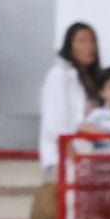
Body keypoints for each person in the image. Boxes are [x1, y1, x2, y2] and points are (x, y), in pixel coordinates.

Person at [38, 23, 101, 176]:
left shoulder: (90, 79)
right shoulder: (59, 74)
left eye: (92, 41)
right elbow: (55, 123)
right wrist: (74, 159)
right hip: (64, 160)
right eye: (82, 41)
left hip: (86, 157)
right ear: (69, 46)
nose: (89, 46)